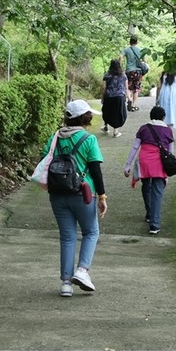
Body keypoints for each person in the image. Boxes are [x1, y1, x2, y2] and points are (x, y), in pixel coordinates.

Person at [44, 99, 109, 297]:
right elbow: (96, 171)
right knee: (91, 232)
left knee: (67, 236)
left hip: (57, 194)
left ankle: (66, 283)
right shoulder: (88, 139)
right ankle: (82, 270)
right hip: (82, 193)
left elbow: (45, 161)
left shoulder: (54, 138)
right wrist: (102, 196)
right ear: (85, 118)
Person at [123, 105, 175, 235]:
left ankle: (149, 213)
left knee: (146, 186)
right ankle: (154, 224)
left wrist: (128, 165)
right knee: (157, 192)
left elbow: (135, 147)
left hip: (144, 161)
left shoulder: (144, 128)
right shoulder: (168, 131)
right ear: (163, 117)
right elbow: (171, 152)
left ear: (151, 117)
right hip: (159, 162)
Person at [100, 58, 128, 138]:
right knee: (118, 113)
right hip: (120, 97)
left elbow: (104, 87)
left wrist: (102, 97)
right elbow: (126, 87)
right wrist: (126, 97)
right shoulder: (123, 75)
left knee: (107, 111)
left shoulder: (107, 75)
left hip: (109, 96)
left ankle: (105, 127)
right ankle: (115, 132)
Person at [122, 35, 146, 111]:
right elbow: (144, 61)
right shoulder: (141, 50)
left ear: (130, 41)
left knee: (128, 87)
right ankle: (133, 105)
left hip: (129, 71)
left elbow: (120, 57)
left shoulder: (126, 50)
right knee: (136, 88)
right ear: (137, 42)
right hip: (138, 71)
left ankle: (129, 99)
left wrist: (120, 66)